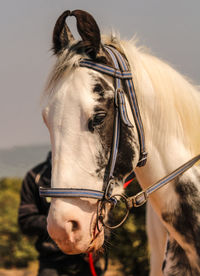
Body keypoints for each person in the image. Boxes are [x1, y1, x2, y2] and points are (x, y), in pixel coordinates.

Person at [18, 152, 104, 276]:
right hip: (51, 261)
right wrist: (58, 223)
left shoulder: (88, 174)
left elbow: (104, 214)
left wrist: (100, 245)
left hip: (87, 260)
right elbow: (25, 220)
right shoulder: (35, 176)